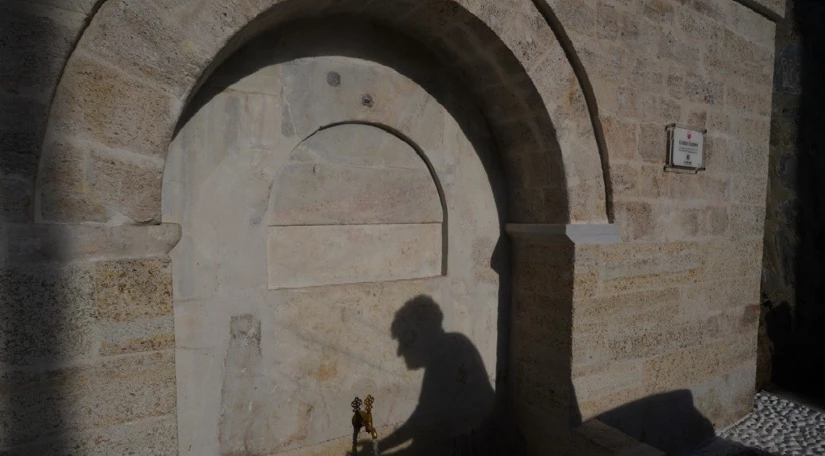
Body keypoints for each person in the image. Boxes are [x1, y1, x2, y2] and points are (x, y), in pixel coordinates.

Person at [376, 295, 496, 455]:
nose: (400, 352)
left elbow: (421, 421)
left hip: (473, 444)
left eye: (404, 342)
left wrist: (379, 447)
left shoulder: (449, 356)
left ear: (422, 335)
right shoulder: (452, 345)